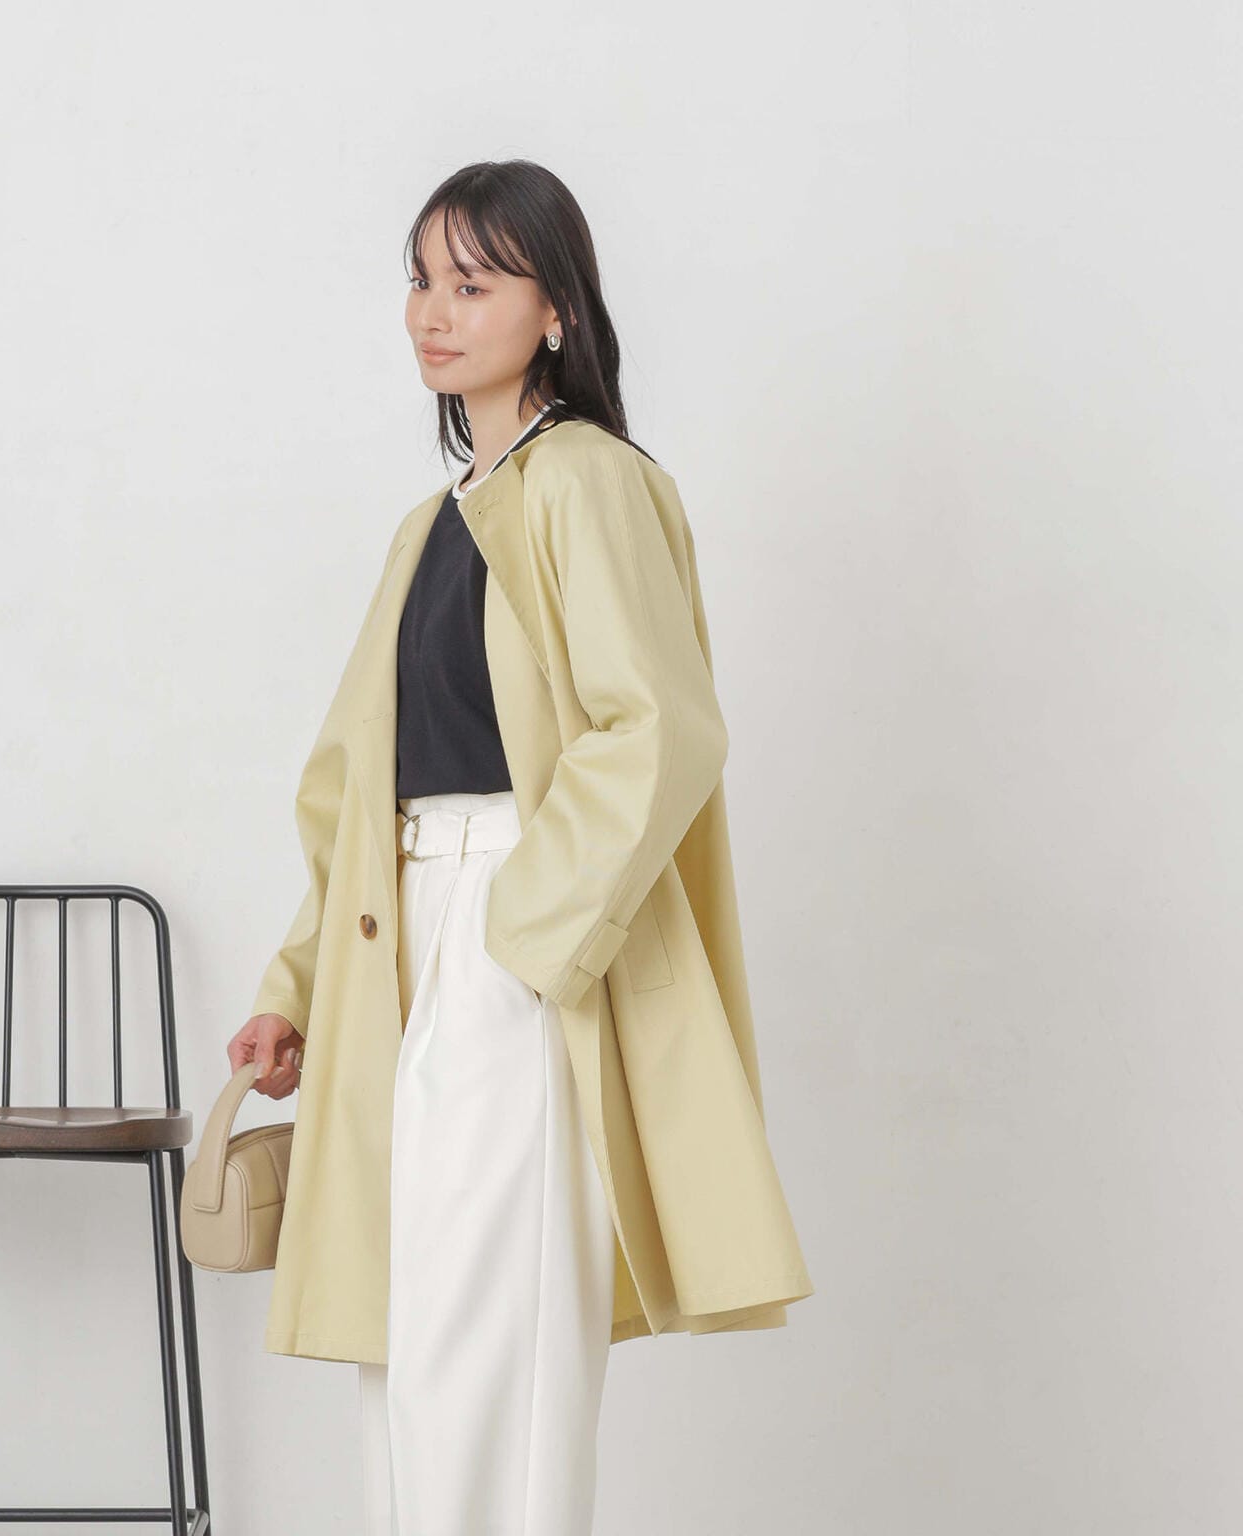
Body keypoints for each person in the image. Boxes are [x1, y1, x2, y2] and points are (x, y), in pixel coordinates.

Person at [227, 158, 813, 1536]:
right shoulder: (427, 527)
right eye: (421, 280)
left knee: (489, 1330)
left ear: (557, 310)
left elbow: (657, 727)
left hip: (514, 927)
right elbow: (351, 798)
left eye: (474, 282)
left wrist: (522, 937)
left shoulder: (591, 483)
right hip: (399, 943)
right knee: (408, 1337)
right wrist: (295, 988)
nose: (434, 312)